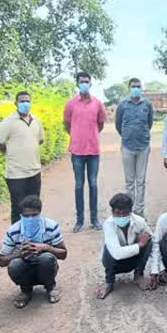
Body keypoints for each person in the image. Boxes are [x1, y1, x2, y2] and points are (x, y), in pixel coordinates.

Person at [0, 195, 68, 309]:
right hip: (24, 267)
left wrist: (46, 247)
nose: (30, 219)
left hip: (45, 266)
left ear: (40, 213)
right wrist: (19, 254)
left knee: (46, 258)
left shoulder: (50, 226)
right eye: (26, 216)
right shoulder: (14, 230)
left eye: (34, 215)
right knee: (15, 264)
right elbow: (1, 261)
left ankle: (50, 286)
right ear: (21, 215)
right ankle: (25, 290)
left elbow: (64, 254)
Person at [64, 72, 107, 233]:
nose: (84, 84)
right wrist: (77, 136)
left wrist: (91, 135)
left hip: (93, 150)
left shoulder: (97, 103)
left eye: (86, 81)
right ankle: (80, 220)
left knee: (93, 184)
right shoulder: (70, 104)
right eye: (81, 81)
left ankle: (94, 219)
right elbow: (67, 124)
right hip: (77, 151)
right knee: (78, 185)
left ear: (90, 83)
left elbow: (100, 124)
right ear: (77, 83)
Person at [96, 193, 161, 299]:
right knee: (109, 248)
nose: (121, 216)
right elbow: (116, 254)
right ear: (112, 212)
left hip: (133, 261)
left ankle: (138, 275)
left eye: (125, 213)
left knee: (148, 240)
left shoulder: (139, 221)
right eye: (117, 213)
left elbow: (154, 245)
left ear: (131, 212)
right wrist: (139, 245)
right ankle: (109, 282)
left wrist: (155, 270)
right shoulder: (108, 224)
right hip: (114, 263)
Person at [0, 91, 44, 224]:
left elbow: (39, 140)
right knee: (18, 208)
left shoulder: (36, 121)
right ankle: (17, 239)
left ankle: (34, 237)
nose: (25, 104)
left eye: (28, 101)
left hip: (34, 171)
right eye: (22, 101)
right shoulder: (8, 122)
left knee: (34, 207)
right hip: (16, 174)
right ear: (16, 103)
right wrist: (11, 151)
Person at [115, 78, 154, 218]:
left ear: (141, 87)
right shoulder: (123, 105)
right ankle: (129, 211)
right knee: (130, 182)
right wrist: (127, 136)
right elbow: (118, 125)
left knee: (141, 181)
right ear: (129, 88)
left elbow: (149, 124)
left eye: (138, 86)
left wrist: (141, 135)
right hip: (127, 147)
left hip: (143, 147)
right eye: (133, 86)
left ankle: (140, 211)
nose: (136, 88)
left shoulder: (147, 105)